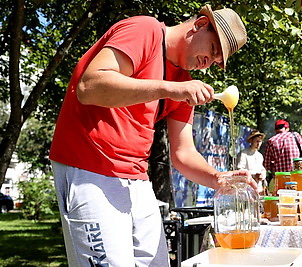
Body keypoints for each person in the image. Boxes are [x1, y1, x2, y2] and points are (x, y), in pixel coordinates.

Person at [49, 5, 253, 266]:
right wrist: (170, 89)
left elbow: (183, 153)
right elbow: (90, 86)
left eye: (217, 62)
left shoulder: (183, 83)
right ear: (201, 23)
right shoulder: (145, 30)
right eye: (213, 50)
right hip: (90, 170)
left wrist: (217, 178)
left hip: (137, 179)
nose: (209, 63)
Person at [237, 130, 267, 194]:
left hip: (258, 188)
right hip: (246, 189)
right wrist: (253, 175)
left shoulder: (259, 156)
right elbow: (240, 170)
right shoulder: (243, 154)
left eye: (260, 141)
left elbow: (262, 169)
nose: (258, 144)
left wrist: (262, 175)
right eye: (257, 141)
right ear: (251, 141)